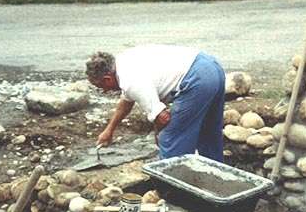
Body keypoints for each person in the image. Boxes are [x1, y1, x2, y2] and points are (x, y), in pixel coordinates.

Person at [85, 44, 226, 161]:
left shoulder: (131, 82)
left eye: (101, 87)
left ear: (107, 79)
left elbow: (163, 118)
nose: (104, 92)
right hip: (212, 67)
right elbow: (126, 101)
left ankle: (173, 188)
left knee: (170, 139)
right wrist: (109, 130)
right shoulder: (122, 63)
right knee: (209, 132)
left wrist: (159, 133)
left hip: (197, 79)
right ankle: (220, 180)